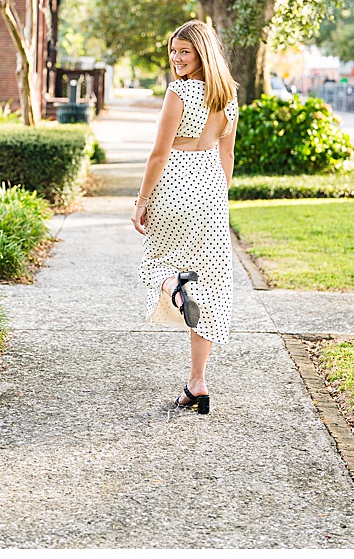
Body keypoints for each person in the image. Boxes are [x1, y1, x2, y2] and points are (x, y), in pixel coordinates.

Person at [132, 20, 239, 414]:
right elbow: (226, 157)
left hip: (173, 185)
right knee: (210, 285)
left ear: (202, 54)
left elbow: (159, 153)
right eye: (173, 51)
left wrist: (141, 201)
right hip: (211, 190)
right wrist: (217, 198)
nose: (177, 59)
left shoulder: (179, 92)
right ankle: (198, 382)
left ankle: (174, 286)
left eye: (184, 52)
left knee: (154, 266)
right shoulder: (229, 99)